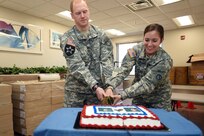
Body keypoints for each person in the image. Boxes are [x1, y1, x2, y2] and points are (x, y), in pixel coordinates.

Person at [106, 23, 173, 111]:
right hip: (139, 98)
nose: (149, 44)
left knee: (160, 123)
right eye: (147, 40)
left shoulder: (164, 60)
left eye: (154, 40)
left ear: (161, 40)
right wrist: (110, 86)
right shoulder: (136, 50)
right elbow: (124, 69)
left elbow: (147, 83)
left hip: (159, 100)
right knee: (136, 121)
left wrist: (122, 95)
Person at [60, 0, 114, 107]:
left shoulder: (101, 35)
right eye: (78, 13)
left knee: (97, 122)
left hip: (97, 93)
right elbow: (76, 66)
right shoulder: (67, 39)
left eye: (85, 11)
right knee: (73, 121)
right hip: (75, 94)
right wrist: (95, 86)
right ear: (72, 16)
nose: (82, 16)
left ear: (89, 11)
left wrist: (109, 86)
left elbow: (107, 62)